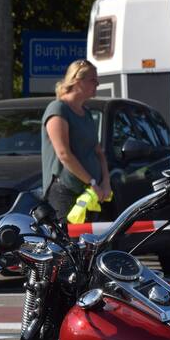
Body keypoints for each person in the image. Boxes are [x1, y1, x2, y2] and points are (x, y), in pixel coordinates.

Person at [41, 59, 111, 220]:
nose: (98, 84)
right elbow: (63, 153)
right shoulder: (58, 109)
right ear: (77, 81)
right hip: (65, 191)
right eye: (93, 80)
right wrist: (92, 182)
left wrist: (105, 182)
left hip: (91, 194)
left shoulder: (86, 113)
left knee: (89, 242)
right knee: (68, 241)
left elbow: (98, 152)